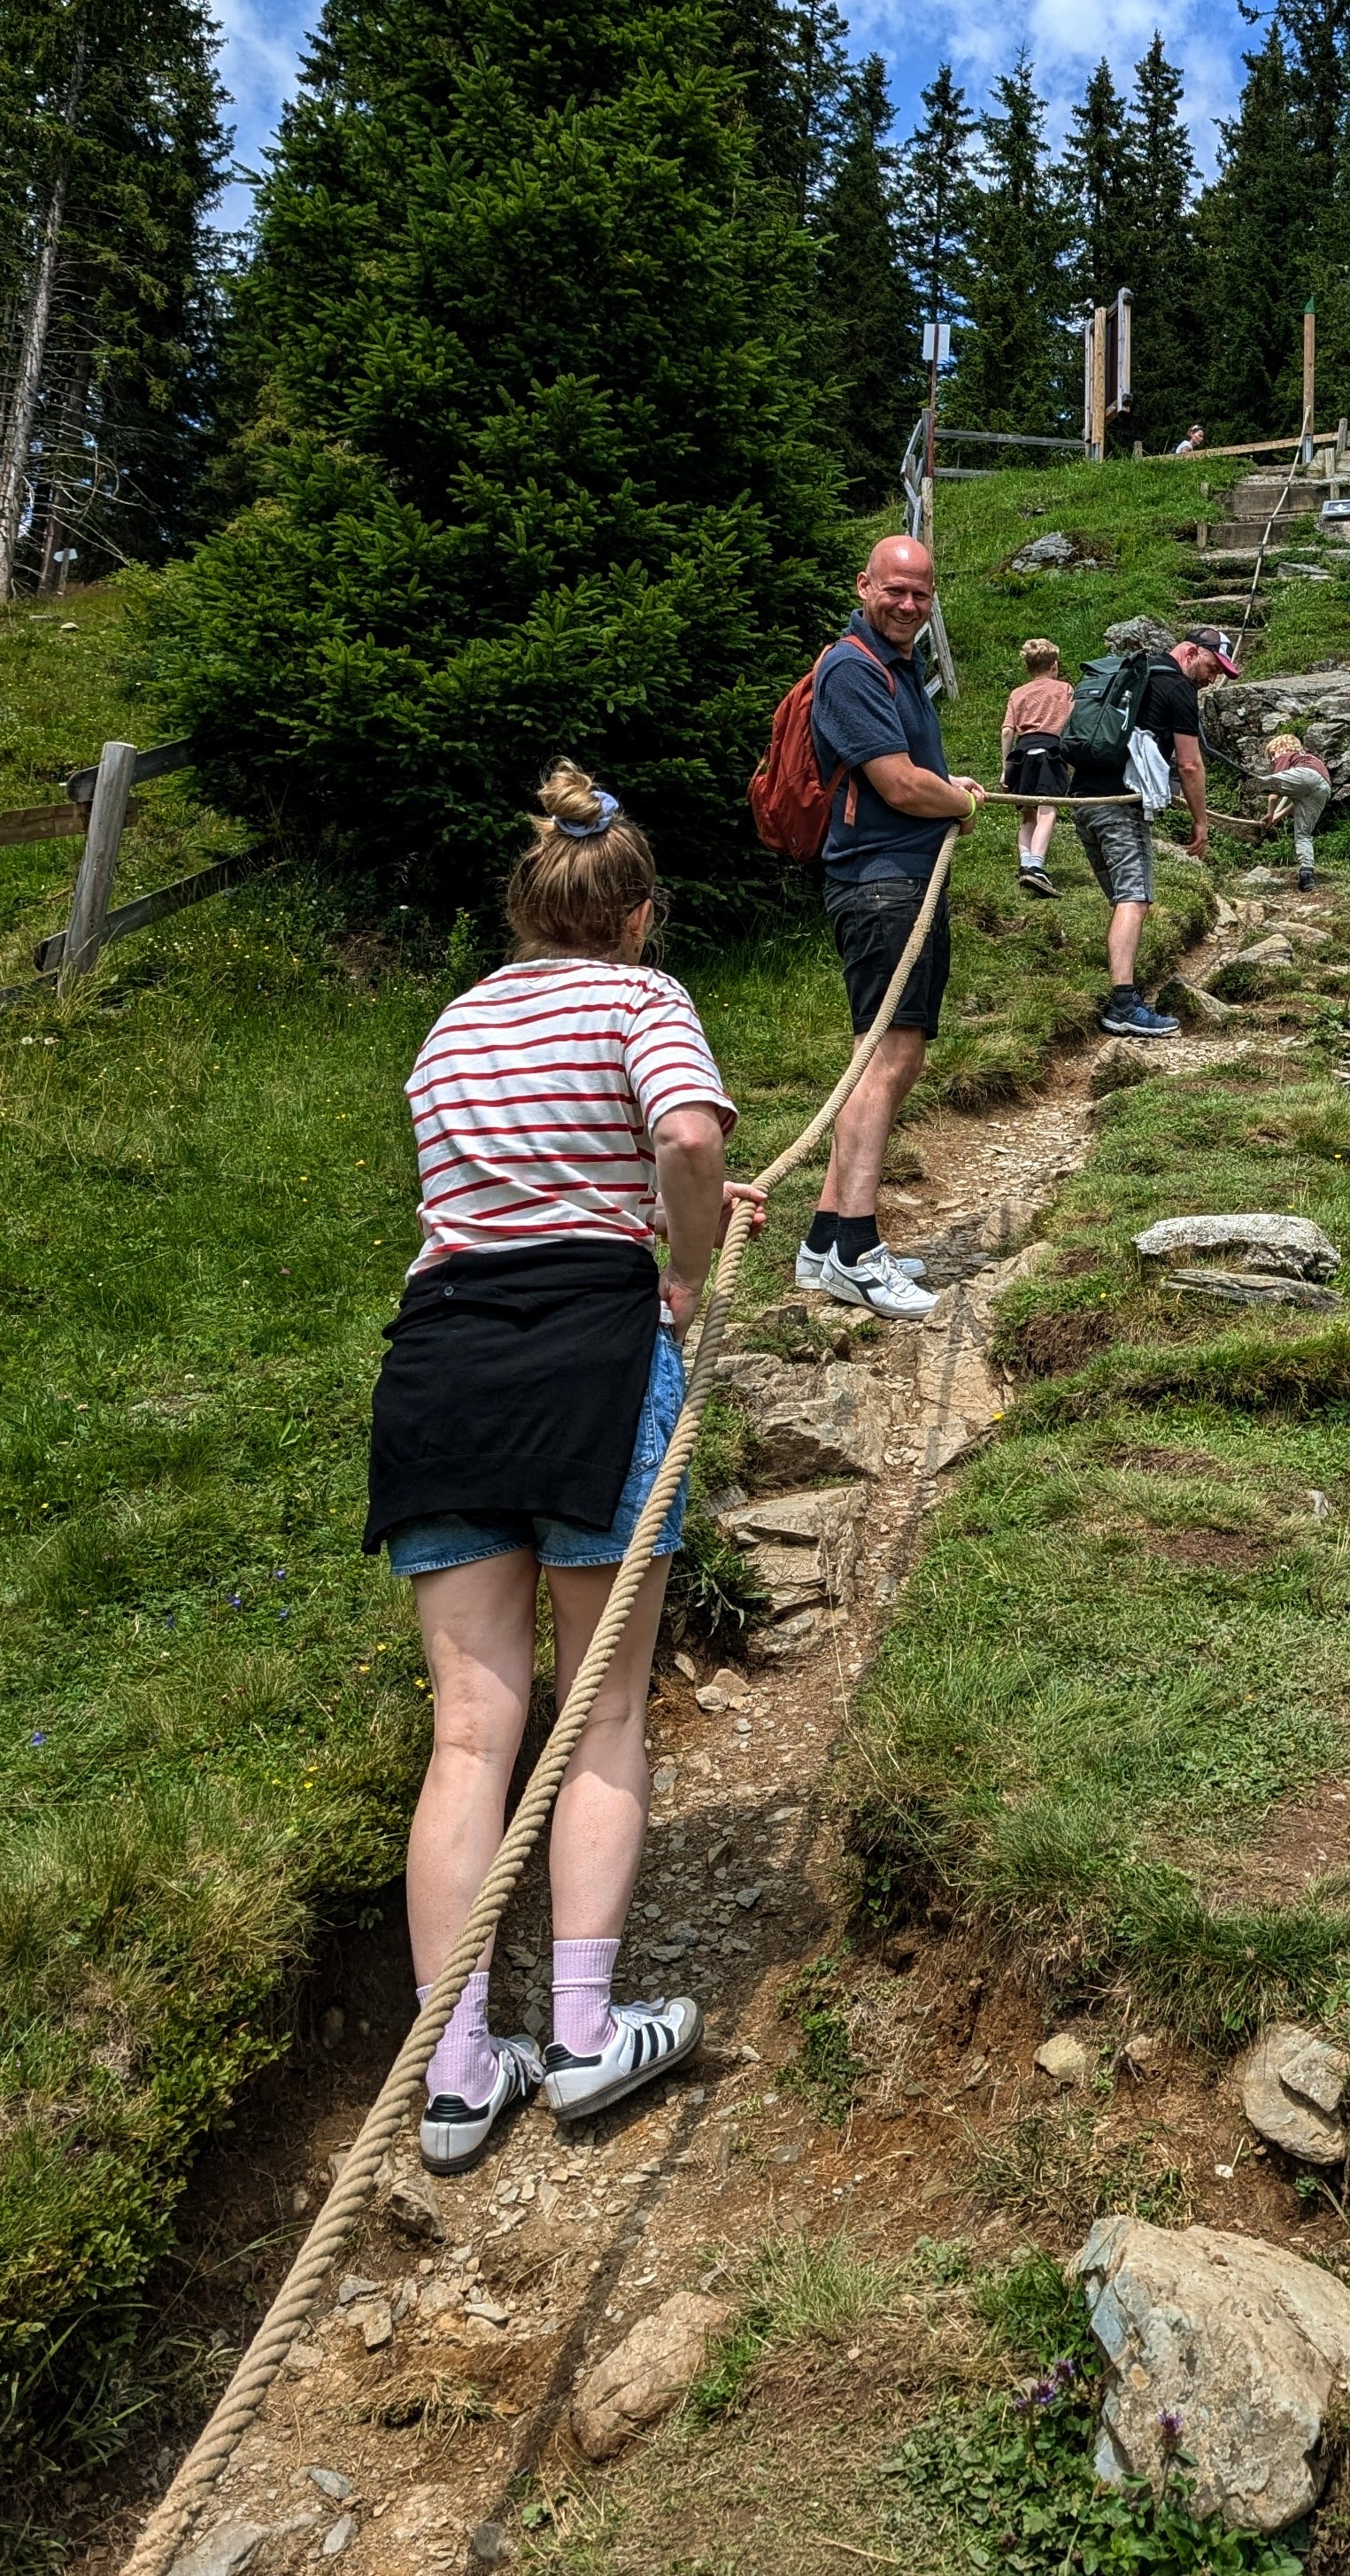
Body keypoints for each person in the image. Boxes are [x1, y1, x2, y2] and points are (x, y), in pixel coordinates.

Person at [366, 761, 764, 2171]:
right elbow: (686, 1139)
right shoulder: (643, 1000)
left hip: (443, 1359)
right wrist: (691, 1262)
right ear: (637, 916)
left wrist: (656, 1194)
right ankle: (588, 2035)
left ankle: (457, 2068)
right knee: (598, 1720)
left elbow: (510, 1188)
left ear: (525, 908)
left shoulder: (455, 1019)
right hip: (594, 1351)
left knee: (471, 1736)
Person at [798, 530, 987, 1315]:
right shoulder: (851, 666)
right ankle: (856, 1250)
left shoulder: (894, 665)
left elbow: (915, 777)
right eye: (894, 590)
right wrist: (959, 803)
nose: (907, 604)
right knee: (886, 1060)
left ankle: (822, 1241)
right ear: (863, 586)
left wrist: (950, 786)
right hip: (883, 885)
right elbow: (899, 786)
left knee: (880, 1059)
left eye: (920, 593)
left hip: (897, 880)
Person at [1076, 625, 1230, 1036]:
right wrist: (1201, 821)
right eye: (1213, 667)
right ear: (1192, 652)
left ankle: (1120, 986)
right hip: (1122, 808)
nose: (1212, 678)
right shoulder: (1177, 688)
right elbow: (1190, 764)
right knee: (1135, 899)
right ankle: (1123, 1004)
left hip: (1083, 802)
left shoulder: (1135, 676)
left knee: (1123, 899)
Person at [1001, 636, 1074, 897]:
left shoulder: (1017, 693)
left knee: (1028, 813)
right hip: (1050, 752)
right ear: (1054, 665)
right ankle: (1037, 866)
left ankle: (1024, 863)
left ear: (1029, 667)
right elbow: (1073, 723)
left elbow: (1008, 731)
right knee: (1048, 808)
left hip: (1022, 753)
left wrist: (1005, 767)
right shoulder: (1064, 689)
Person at [1257, 729, 1331, 892]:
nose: (1272, 760)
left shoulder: (1286, 756)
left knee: (1259, 783)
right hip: (1323, 787)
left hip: (1306, 776)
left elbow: (1275, 786)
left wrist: (1270, 812)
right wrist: (1278, 816)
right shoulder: (1310, 759)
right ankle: (1307, 875)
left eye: (1272, 755)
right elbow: (1299, 801)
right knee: (1303, 834)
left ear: (1282, 747)